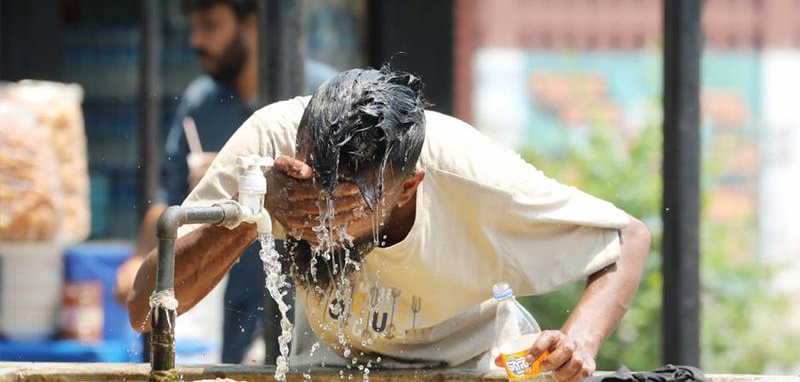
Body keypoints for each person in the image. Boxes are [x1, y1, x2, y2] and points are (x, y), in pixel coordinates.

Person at [128, 67, 651, 382]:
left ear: (408, 187)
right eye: (314, 195)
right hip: (329, 364)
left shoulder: (476, 178)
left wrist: (581, 341)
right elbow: (146, 311)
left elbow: (627, 237)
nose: (323, 222)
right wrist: (253, 215)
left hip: (466, 367)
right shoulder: (270, 146)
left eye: (349, 206)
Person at [113, 0, 336, 363]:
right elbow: (170, 200)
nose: (197, 40)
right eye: (195, 26)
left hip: (315, 317)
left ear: (252, 24)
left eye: (210, 26)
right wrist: (138, 261)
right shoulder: (201, 104)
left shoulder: (325, 97)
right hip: (234, 309)